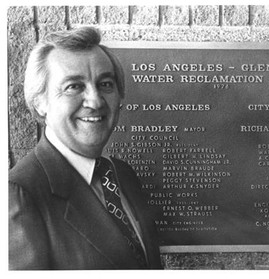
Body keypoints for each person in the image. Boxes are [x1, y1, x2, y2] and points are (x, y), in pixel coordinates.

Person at [9, 27, 162, 269]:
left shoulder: (123, 175)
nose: (95, 101)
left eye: (105, 84)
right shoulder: (18, 195)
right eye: (74, 86)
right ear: (40, 103)